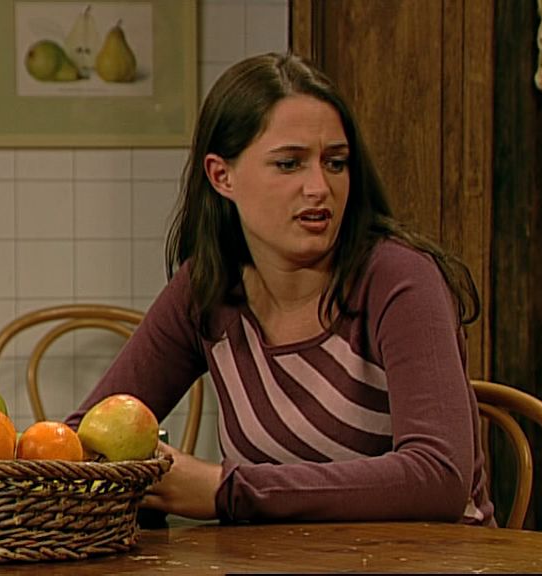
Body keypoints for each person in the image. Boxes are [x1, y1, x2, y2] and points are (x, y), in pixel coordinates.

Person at [65, 51, 496, 526]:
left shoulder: (399, 279)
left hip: (432, 556)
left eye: (335, 163)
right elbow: (83, 440)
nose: (319, 188)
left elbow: (439, 476)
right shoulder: (207, 288)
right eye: (290, 164)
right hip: (276, 558)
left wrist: (227, 491)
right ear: (221, 176)